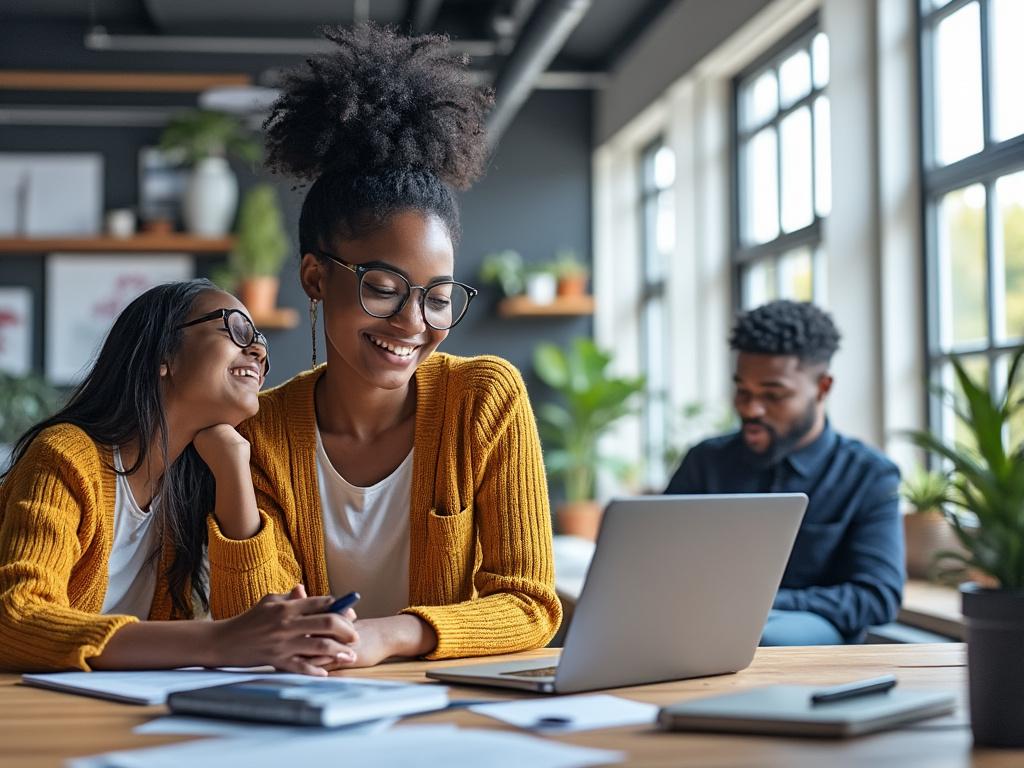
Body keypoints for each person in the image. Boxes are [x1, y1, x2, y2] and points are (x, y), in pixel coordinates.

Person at [206, 24, 561, 667]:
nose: (412, 322)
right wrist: (231, 472)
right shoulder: (262, 435)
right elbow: (249, 626)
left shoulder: (484, 398)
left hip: (446, 713)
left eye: (437, 295)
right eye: (382, 287)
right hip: (305, 715)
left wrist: (387, 635)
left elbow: (528, 603)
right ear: (316, 277)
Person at [0, 280, 358, 673]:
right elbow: (15, 618)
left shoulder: (193, 484)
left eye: (259, 341)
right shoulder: (65, 457)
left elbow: (258, 633)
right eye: (237, 330)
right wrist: (220, 641)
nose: (258, 350)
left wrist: (234, 467)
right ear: (163, 355)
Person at [665, 300, 903, 645]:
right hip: (704, 622)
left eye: (773, 395)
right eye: (742, 391)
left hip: (801, 636)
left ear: (822, 388)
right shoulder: (705, 462)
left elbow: (877, 596)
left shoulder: (869, 475)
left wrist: (764, 604)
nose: (750, 409)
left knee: (764, 637)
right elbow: (661, 565)